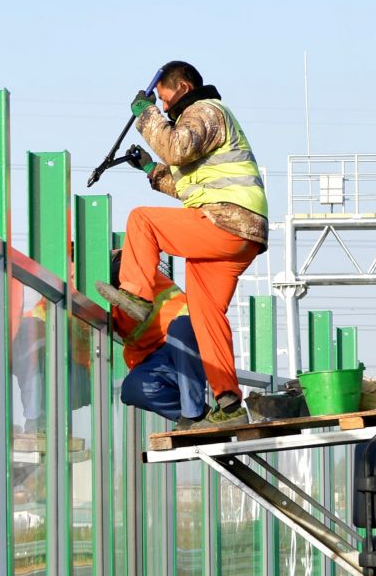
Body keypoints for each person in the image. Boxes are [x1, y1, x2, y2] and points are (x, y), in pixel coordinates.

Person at [94, 60, 266, 427]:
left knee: (142, 220)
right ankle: (229, 403)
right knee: (205, 318)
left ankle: (137, 295)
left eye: (163, 97)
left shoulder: (206, 110)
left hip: (226, 221)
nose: (163, 105)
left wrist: (146, 117)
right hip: (236, 232)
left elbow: (177, 147)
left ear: (183, 88)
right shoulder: (206, 124)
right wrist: (150, 170)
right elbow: (186, 184)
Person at [108, 250, 210, 424]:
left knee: (180, 328)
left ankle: (192, 413)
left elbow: (129, 261)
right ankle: (200, 418)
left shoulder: (126, 264)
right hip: (154, 359)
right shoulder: (92, 293)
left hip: (185, 341)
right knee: (133, 388)